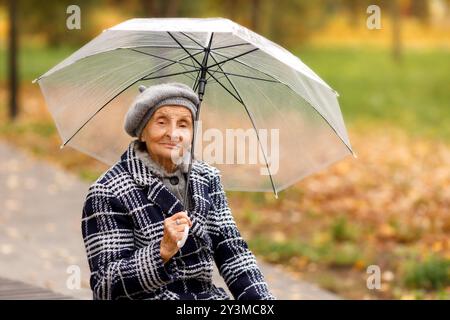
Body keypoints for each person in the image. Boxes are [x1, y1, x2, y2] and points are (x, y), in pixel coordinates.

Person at [81, 82, 275, 300]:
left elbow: (231, 250)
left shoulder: (207, 178)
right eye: (161, 122)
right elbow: (105, 285)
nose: (173, 134)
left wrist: (262, 302)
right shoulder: (108, 191)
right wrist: (161, 251)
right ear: (142, 132)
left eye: (183, 124)